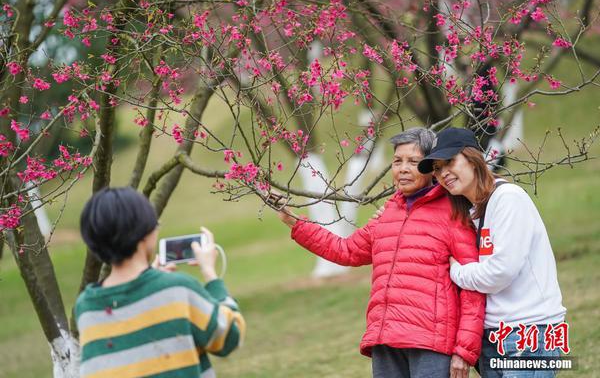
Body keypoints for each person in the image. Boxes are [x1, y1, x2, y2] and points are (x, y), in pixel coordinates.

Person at [275, 127, 485, 378]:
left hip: (431, 344)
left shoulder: (454, 213)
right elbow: (346, 251)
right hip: (385, 340)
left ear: (431, 167)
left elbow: (473, 288)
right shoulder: (387, 214)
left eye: (414, 162)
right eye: (397, 161)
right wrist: (295, 223)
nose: (403, 168)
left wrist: (464, 351)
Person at [417, 127, 567, 377]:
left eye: (450, 162)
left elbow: (499, 273)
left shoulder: (508, 199)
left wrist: (457, 271)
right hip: (491, 337)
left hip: (529, 333)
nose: (444, 173)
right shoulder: (468, 212)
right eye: (438, 168)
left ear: (473, 157)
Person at [75, 187, 245, 378]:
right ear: (144, 234)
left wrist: (153, 281)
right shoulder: (177, 289)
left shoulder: (86, 306)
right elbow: (229, 337)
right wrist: (211, 275)